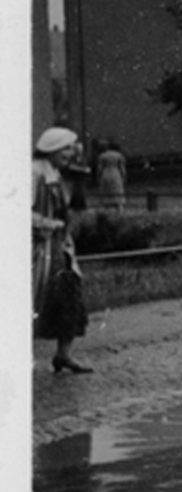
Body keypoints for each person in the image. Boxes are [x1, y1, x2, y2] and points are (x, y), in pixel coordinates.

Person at [33, 127, 91, 374]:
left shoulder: (56, 173)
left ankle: (63, 354)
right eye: (66, 148)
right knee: (36, 299)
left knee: (69, 296)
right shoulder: (34, 173)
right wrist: (48, 224)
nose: (71, 154)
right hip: (38, 247)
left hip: (60, 247)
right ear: (51, 148)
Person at [96, 139, 128, 213]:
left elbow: (99, 168)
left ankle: (106, 211)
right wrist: (124, 177)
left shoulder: (102, 155)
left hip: (105, 173)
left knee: (106, 192)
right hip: (116, 173)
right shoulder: (119, 156)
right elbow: (122, 169)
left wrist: (98, 177)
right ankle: (119, 211)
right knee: (118, 192)